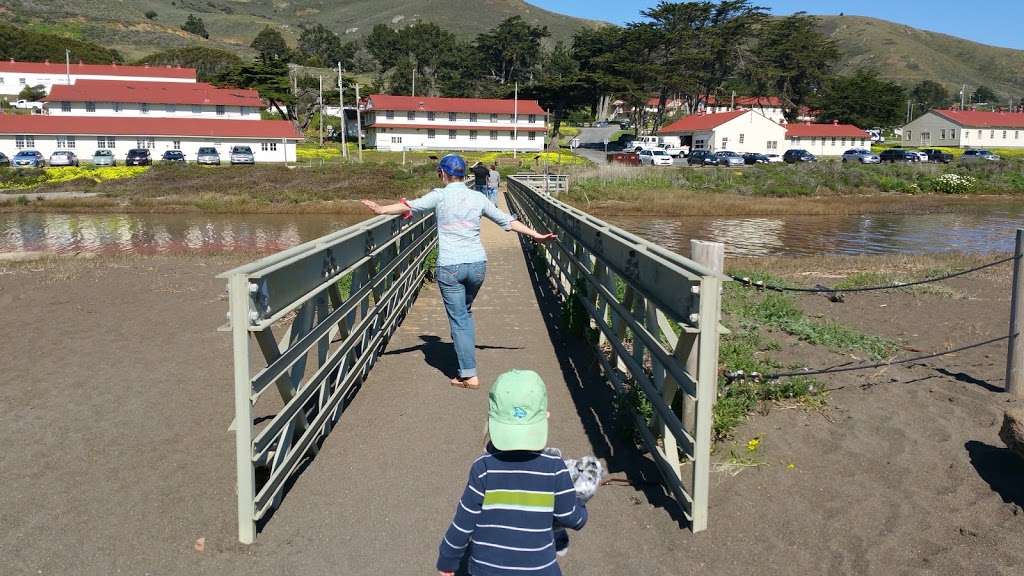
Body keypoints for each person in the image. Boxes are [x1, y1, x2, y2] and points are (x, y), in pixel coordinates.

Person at [360, 154, 555, 389]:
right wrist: (536, 235)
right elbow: (507, 221)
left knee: (460, 319)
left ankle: (468, 375)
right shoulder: (478, 197)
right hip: (477, 265)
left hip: (450, 266)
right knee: (465, 312)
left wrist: (380, 209)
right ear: (465, 175)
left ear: (442, 173)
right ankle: (464, 351)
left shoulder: (439, 196)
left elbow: (409, 205)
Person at [436, 370, 588, 576]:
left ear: (492, 420)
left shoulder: (484, 468)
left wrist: (448, 560)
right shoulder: (554, 467)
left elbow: (463, 523)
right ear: (545, 417)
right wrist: (580, 508)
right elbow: (571, 517)